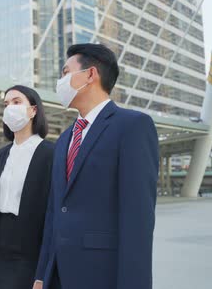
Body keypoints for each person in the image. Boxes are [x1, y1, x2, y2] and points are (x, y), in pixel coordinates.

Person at [34, 44, 159, 289]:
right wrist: (41, 275)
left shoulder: (132, 127)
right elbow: (54, 211)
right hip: (58, 274)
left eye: (65, 72)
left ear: (90, 74)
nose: (61, 81)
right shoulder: (64, 139)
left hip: (101, 273)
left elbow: (138, 219)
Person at [0, 85, 54, 289]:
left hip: (33, 250)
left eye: (17, 102)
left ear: (33, 110)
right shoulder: (3, 154)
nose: (10, 107)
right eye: (6, 104)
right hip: (3, 248)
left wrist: (45, 270)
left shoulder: (49, 153)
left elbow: (53, 213)